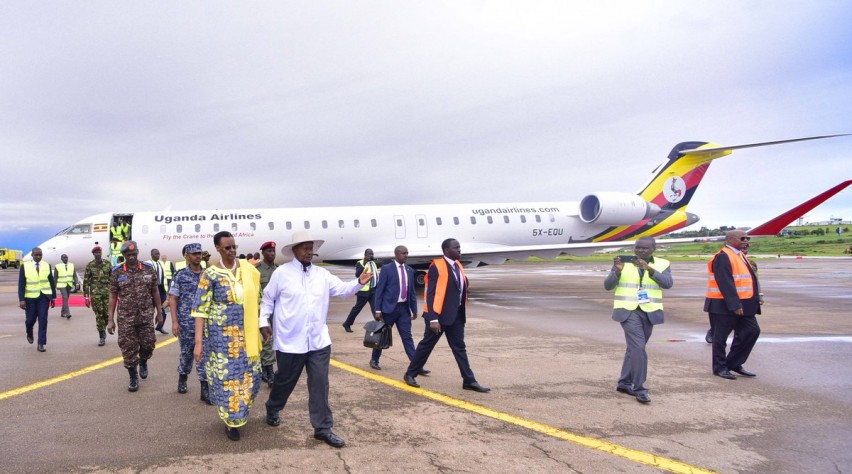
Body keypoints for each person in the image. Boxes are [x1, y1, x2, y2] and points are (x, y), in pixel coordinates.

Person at [261, 231, 373, 448]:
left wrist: (358, 282)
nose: (309, 251)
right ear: (294, 250)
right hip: (290, 341)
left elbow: (341, 289)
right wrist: (263, 322)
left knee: (320, 384)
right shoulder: (282, 274)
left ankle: (322, 428)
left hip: (318, 341)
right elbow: (267, 300)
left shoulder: (322, 275)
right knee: (285, 381)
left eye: (311, 247)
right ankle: (273, 406)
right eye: (304, 247)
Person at [192, 231, 262, 442]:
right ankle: (231, 422)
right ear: (218, 249)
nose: (232, 250)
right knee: (227, 381)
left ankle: (241, 413)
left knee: (252, 377)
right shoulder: (210, 274)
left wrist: (263, 326)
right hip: (220, 340)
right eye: (227, 247)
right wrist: (198, 343)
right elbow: (200, 310)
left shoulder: (247, 270)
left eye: (234, 246)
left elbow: (259, 300)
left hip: (246, 337)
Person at [404, 238, 490, 393]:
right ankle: (410, 374)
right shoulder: (436, 266)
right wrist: (433, 318)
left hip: (456, 316)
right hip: (438, 317)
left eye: (460, 247)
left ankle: (469, 381)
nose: (459, 250)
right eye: (456, 248)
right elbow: (430, 293)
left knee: (459, 348)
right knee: (426, 346)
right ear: (446, 251)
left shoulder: (458, 266)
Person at [604, 237, 672, 404]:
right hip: (627, 311)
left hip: (650, 311)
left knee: (634, 349)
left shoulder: (663, 264)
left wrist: (649, 269)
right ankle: (640, 387)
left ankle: (624, 382)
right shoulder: (623, 263)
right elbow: (607, 285)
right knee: (638, 348)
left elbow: (667, 284)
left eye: (645, 248)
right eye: (638, 248)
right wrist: (617, 271)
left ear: (654, 249)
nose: (640, 251)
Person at [705, 230, 763, 380]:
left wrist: (757, 298)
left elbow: (749, 279)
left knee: (752, 331)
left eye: (747, 238)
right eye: (742, 238)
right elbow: (725, 282)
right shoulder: (723, 256)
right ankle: (719, 368)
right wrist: (734, 304)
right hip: (723, 305)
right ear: (730, 239)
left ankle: (733, 363)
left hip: (744, 304)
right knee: (720, 338)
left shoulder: (740, 255)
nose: (746, 240)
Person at [107, 241, 163, 391]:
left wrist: (160, 312)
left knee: (149, 343)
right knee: (128, 348)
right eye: (127, 255)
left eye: (133, 254)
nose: (131, 257)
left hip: (146, 315)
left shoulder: (148, 269)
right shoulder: (117, 272)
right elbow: (113, 297)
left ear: (137, 253)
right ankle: (133, 377)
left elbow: (155, 291)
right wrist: (110, 320)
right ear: (123, 255)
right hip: (126, 318)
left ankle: (143, 360)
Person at [370, 245, 423, 372]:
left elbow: (412, 293)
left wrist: (414, 310)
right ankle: (374, 359)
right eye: (403, 253)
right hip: (389, 310)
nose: (406, 255)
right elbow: (380, 290)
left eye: (407, 253)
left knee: (407, 338)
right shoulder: (387, 269)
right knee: (382, 336)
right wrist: (378, 310)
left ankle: (416, 365)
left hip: (404, 310)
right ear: (396, 254)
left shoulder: (409, 270)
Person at [167, 243, 209, 399]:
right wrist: (174, 322)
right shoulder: (181, 275)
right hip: (186, 323)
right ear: (187, 256)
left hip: (205, 324)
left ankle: (205, 389)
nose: (198, 256)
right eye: (194, 254)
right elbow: (173, 299)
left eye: (199, 253)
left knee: (203, 356)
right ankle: (183, 377)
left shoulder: (207, 274)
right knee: (186, 354)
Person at [705, 242, 761, 344]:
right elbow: (725, 281)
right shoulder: (725, 258)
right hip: (726, 299)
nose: (744, 251)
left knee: (747, 329)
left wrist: (759, 295)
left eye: (746, 250)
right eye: (743, 249)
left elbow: (755, 280)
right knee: (723, 329)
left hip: (744, 299)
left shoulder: (749, 262)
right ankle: (712, 332)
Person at [18, 247, 56, 352]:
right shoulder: (24, 266)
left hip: (44, 296)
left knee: (43, 319)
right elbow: (21, 284)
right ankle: (29, 330)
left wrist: (53, 297)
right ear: (32, 255)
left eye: (40, 255)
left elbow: (51, 282)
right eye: (36, 255)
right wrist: (21, 299)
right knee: (30, 320)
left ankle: (41, 343)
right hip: (30, 298)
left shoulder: (46, 265)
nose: (38, 257)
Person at [254, 241, 279, 387]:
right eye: (269, 251)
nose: (272, 254)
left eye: (273, 251)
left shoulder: (279, 270)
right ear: (263, 253)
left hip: (278, 311)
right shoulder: (257, 271)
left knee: (277, 341)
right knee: (267, 341)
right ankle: (269, 374)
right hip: (263, 311)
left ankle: (265, 369)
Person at [341, 248, 378, 332]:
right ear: (365, 255)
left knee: (375, 309)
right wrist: (365, 263)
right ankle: (347, 323)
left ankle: (379, 326)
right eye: (369, 254)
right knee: (357, 309)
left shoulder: (373, 263)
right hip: (363, 291)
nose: (371, 256)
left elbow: (375, 275)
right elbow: (357, 274)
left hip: (372, 290)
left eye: (372, 254)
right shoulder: (360, 263)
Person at [83, 246, 113, 346]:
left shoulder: (107, 264)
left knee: (106, 314)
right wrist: (86, 297)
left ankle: (103, 328)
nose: (98, 254)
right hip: (96, 294)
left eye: (99, 252)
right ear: (93, 254)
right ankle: (101, 335)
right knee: (99, 314)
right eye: (96, 253)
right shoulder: (90, 265)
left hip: (107, 293)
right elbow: (86, 281)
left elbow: (113, 279)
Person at [147, 249, 173, 334]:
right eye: (155, 254)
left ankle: (160, 326)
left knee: (164, 308)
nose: (157, 255)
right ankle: (149, 329)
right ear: (151, 255)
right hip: (152, 289)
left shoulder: (160, 263)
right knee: (150, 310)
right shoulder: (148, 264)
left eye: (158, 253)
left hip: (161, 288)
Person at [54, 254, 79, 319]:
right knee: (65, 297)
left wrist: (76, 283)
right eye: (64, 258)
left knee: (66, 299)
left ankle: (62, 312)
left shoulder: (72, 265)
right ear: (61, 259)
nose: (65, 259)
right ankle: (67, 313)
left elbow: (75, 275)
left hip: (69, 284)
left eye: (66, 257)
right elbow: (55, 277)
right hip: (61, 284)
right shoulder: (57, 266)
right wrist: (55, 285)